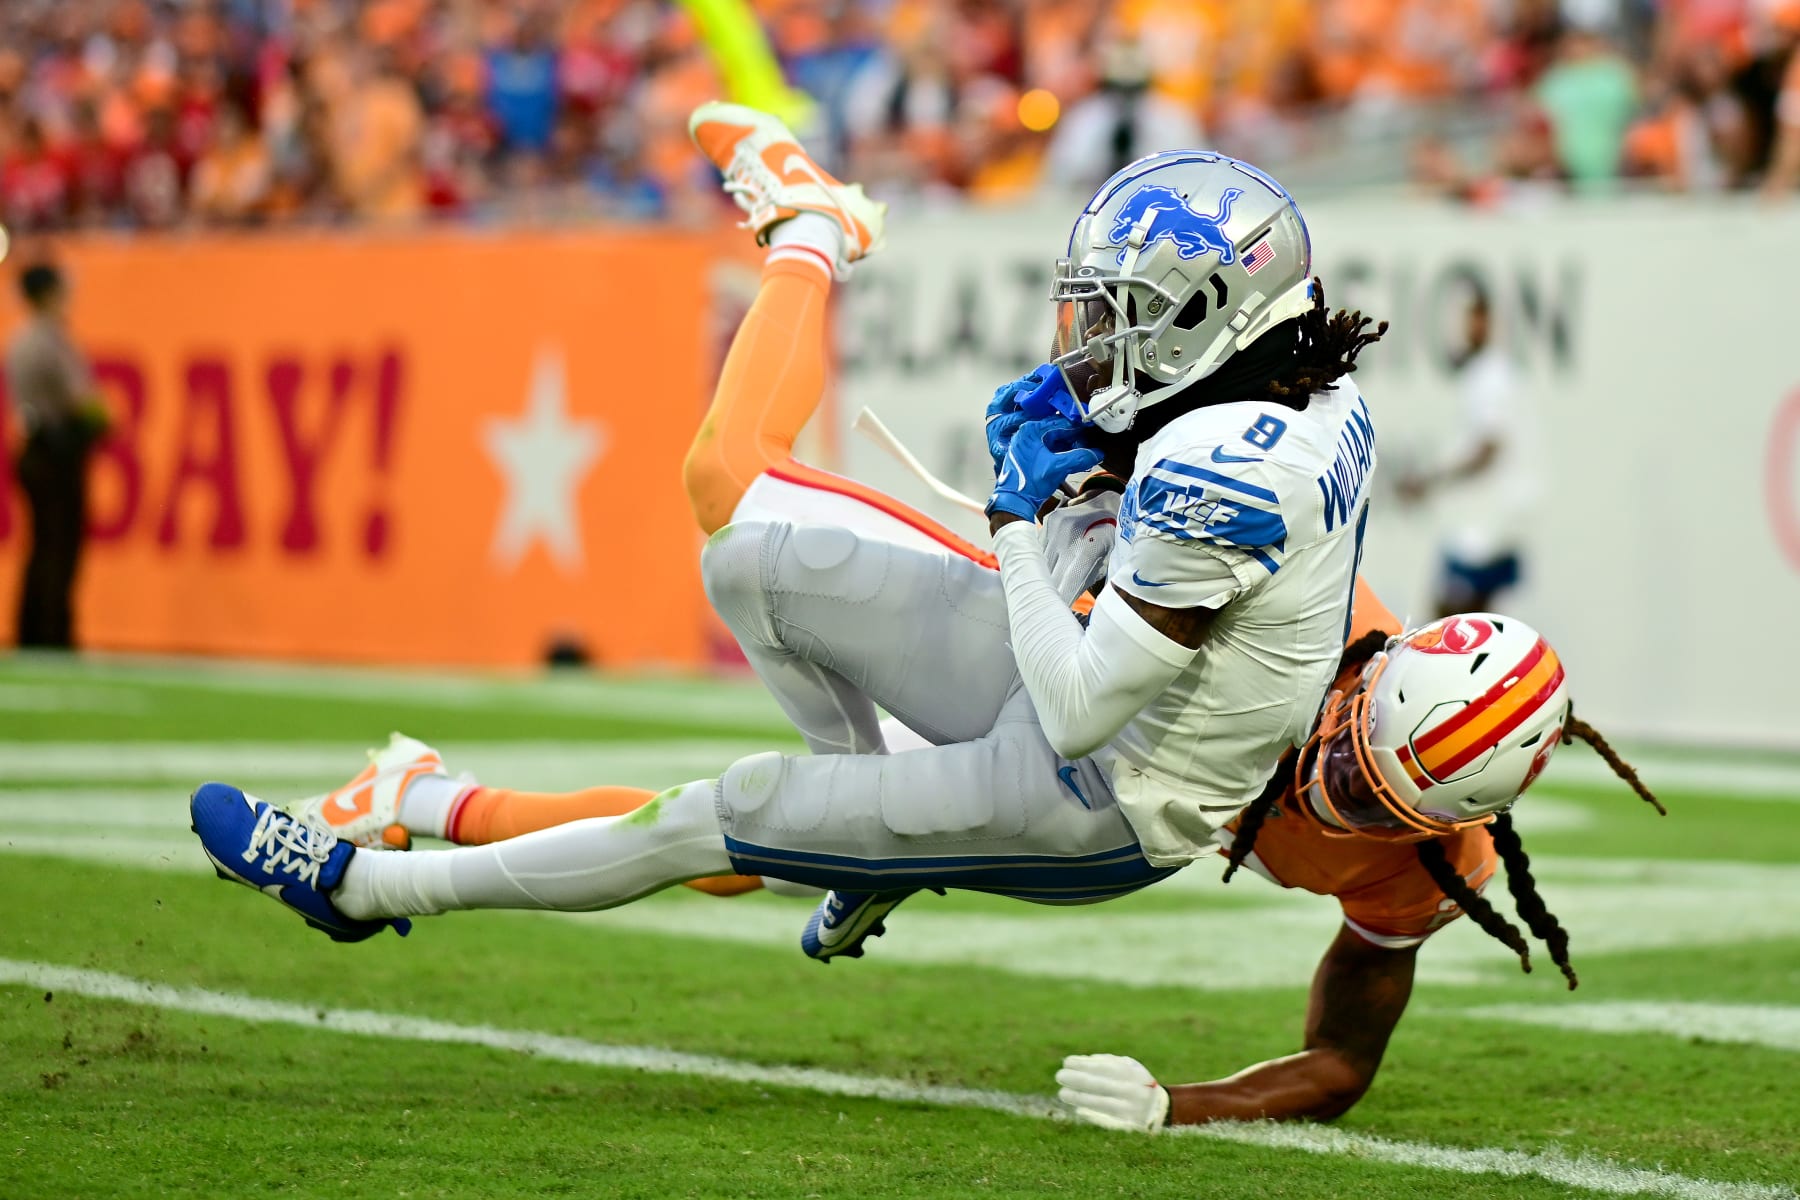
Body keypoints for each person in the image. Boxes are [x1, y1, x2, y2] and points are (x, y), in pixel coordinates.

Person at [1395, 284, 1541, 617]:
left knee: (1446, 621)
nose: (1471, 327)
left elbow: (1487, 450)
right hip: (1487, 524)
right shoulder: (1486, 374)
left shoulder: (1490, 378)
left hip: (1483, 529)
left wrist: (1430, 481)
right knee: (1477, 619)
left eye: (1478, 318)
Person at [7, 262, 106, 649]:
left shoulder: (19, 341)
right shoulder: (52, 341)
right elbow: (80, 401)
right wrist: (105, 419)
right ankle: (54, 632)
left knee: (40, 545)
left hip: (31, 447)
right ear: (49, 294)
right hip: (57, 450)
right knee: (60, 545)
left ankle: (31, 629)